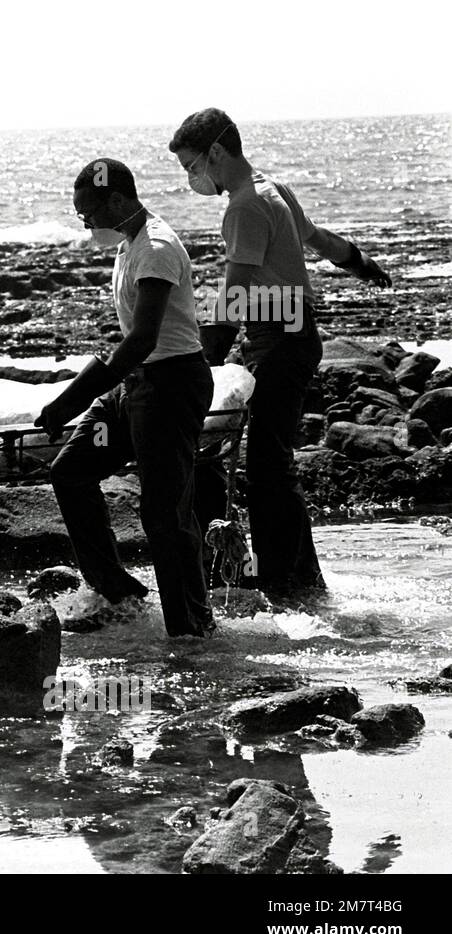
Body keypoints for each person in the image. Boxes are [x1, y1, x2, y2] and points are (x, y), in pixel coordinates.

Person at [168, 108, 392, 600]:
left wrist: (204, 365)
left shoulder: (245, 206)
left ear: (217, 152)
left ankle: (287, 581)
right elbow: (319, 239)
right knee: (273, 462)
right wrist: (362, 263)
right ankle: (297, 576)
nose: (192, 178)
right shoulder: (275, 188)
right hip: (291, 337)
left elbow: (233, 297)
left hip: (278, 340)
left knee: (269, 466)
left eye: (192, 166)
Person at [35, 158, 215, 639]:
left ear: (116, 200)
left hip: (171, 385)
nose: (86, 222)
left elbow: (143, 339)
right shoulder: (128, 245)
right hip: (136, 385)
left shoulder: (155, 248)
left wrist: (72, 400)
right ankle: (119, 591)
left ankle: (191, 631)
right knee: (70, 472)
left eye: (87, 212)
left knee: (164, 513)